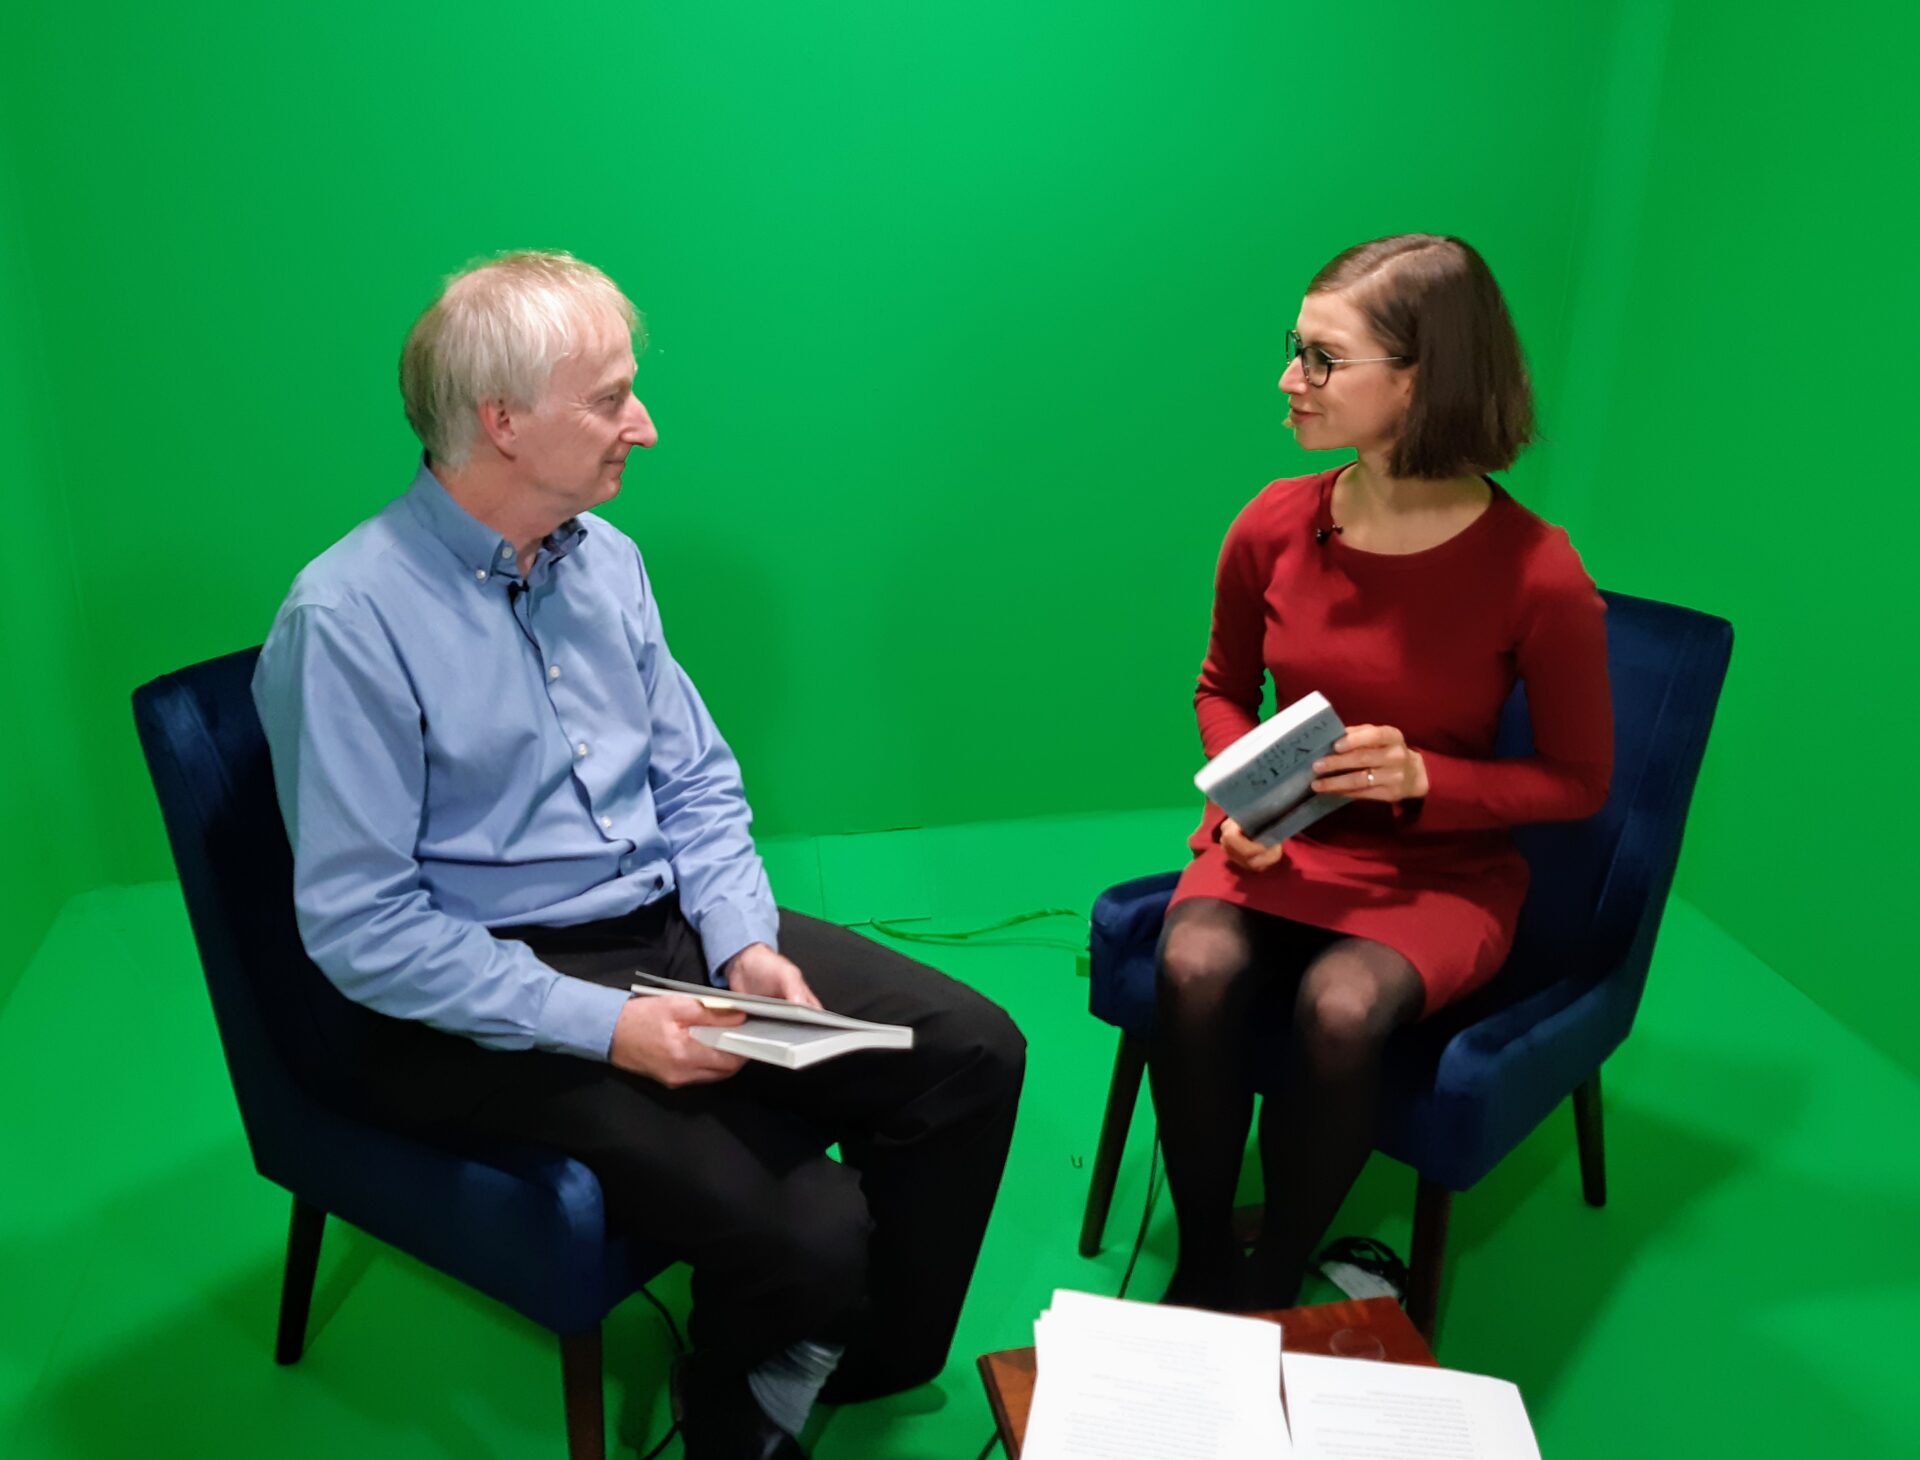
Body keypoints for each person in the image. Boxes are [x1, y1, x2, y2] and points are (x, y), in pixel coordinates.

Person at [252, 250, 1026, 1460]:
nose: (646, 426)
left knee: (973, 1054)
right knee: (811, 1227)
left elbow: (697, 780)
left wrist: (747, 941)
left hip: (659, 927)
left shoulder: (605, 559)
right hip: (478, 992)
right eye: (611, 398)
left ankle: (843, 1351)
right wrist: (609, 1027)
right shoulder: (345, 620)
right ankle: (730, 1396)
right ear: (502, 423)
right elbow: (364, 928)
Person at [1151, 234, 1613, 1312]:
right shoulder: (1273, 520)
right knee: (1194, 964)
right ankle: (1207, 1255)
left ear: (1420, 379)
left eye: (1320, 357)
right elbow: (1221, 687)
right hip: (1280, 840)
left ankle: (1278, 1270)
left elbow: (1579, 781)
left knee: (1344, 1003)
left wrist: (1426, 779)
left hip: (1438, 875)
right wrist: (1243, 795)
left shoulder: (1540, 572)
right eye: (1292, 350)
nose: (1287, 380)